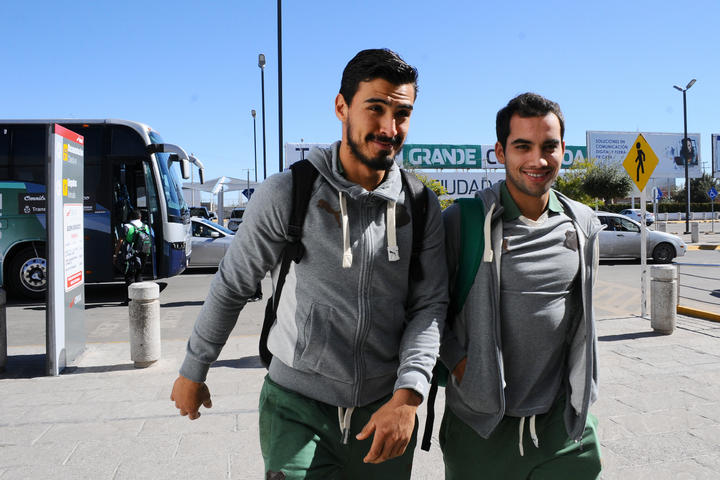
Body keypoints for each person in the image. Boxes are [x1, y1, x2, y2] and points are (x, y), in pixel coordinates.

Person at [171, 48, 447, 479]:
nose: (389, 127)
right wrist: (194, 368)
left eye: (402, 114)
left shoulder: (420, 205)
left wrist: (409, 396)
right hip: (295, 407)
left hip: (385, 409)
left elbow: (429, 306)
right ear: (342, 107)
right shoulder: (287, 192)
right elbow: (233, 284)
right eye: (375, 108)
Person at [439, 93, 603, 479]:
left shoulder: (583, 225)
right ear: (500, 151)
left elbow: (582, 318)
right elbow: (426, 308)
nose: (538, 160)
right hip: (480, 431)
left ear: (563, 150)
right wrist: (463, 366)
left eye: (549, 146)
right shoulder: (463, 221)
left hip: (563, 429)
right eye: (523, 146)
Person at [114, 209, 151, 297]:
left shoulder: (127, 226)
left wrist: (115, 254)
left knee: (129, 276)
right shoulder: (145, 226)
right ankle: (139, 298)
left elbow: (120, 241)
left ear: (130, 217)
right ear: (140, 217)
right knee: (139, 275)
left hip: (131, 255)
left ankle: (129, 299)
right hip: (143, 254)